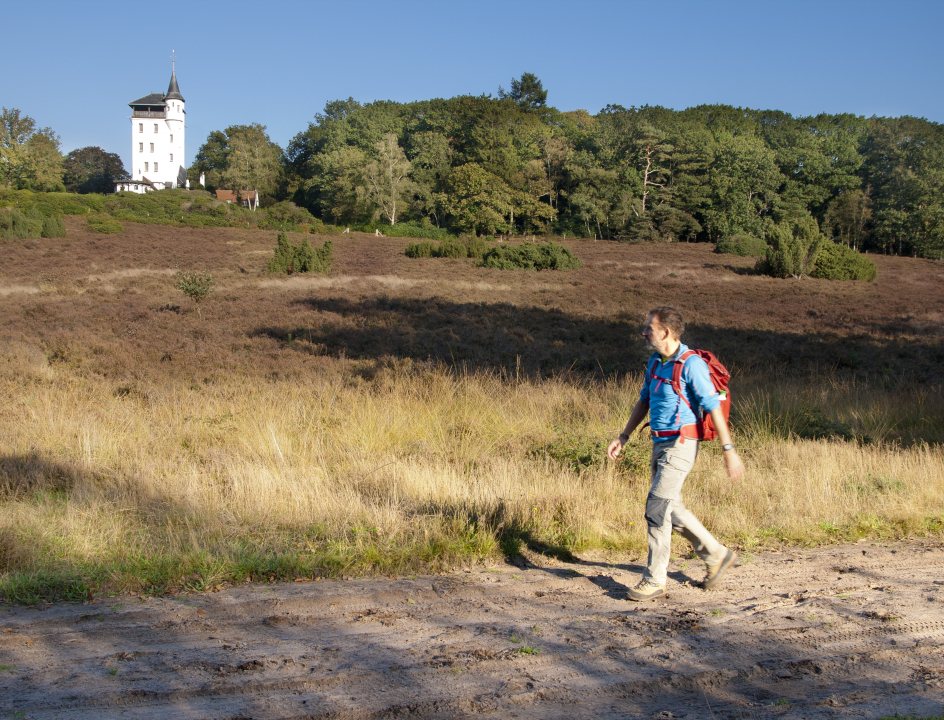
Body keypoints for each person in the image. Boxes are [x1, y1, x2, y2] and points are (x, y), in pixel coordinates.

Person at [607, 306, 745, 601]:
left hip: (681, 446)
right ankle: (717, 554)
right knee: (670, 507)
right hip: (659, 443)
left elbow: (712, 408)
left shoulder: (691, 364)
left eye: (649, 328)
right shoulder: (655, 363)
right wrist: (624, 436)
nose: (644, 332)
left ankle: (654, 579)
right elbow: (643, 400)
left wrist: (729, 451)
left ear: (666, 332)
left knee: (656, 508)